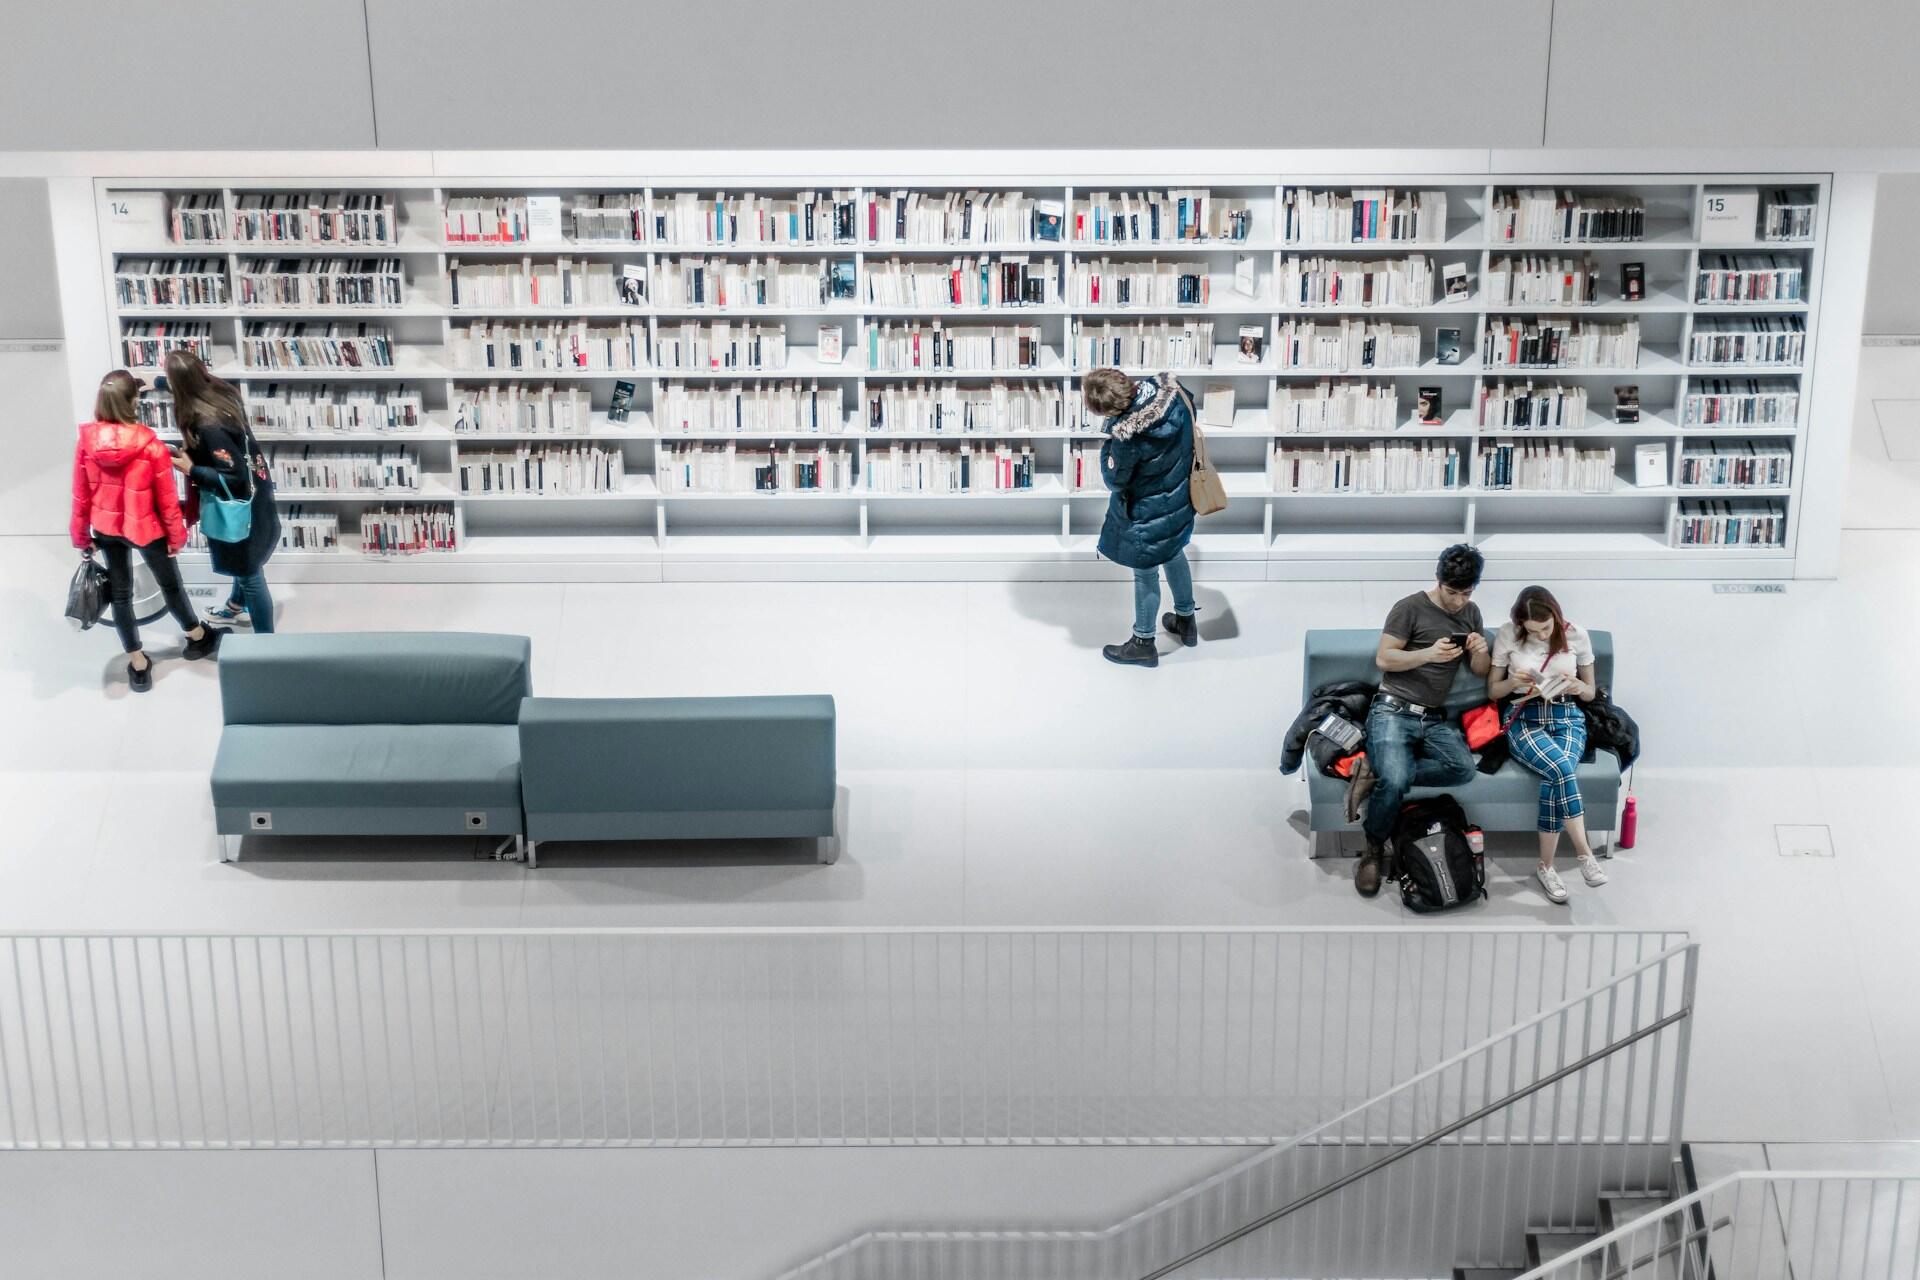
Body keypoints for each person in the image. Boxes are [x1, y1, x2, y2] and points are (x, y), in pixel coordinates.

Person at [69, 370, 225, 691]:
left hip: (107, 528)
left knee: (121, 595)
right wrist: (177, 537)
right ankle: (197, 637)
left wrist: (82, 536)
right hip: (146, 528)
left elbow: (80, 494)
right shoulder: (151, 447)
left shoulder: (86, 443)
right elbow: (167, 502)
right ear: (131, 403)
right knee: (171, 585)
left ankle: (138, 664)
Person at [1352, 544, 1490, 897]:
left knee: (1463, 770)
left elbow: (1480, 672)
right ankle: (1371, 849)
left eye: (1466, 592)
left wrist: (1480, 652)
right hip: (1392, 708)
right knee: (1396, 780)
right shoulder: (1409, 608)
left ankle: (1375, 772)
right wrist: (1429, 653)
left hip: (1433, 717)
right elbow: (1385, 659)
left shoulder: (1471, 613)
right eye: (1452, 592)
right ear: (1438, 580)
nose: (1459, 600)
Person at [1488, 585, 1608, 904]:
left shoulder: (1577, 634)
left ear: (1555, 616)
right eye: (1533, 631)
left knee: (1555, 776)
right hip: (1525, 715)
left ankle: (1546, 867)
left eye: (1545, 628)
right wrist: (1514, 682)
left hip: (1567, 715)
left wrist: (1577, 684)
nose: (1541, 635)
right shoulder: (1507, 635)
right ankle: (1584, 855)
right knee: (1560, 768)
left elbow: (1590, 693)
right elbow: (1493, 692)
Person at [1082, 367, 1198, 668]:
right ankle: (1186, 621)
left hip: (1146, 511)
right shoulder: (1174, 393)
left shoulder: (1127, 438)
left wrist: (1107, 445)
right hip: (1178, 499)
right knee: (1174, 552)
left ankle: (1143, 642)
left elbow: (1115, 480)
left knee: (1145, 570)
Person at [163, 350, 279, 631]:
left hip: (237, 504)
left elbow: (233, 476)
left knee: (250, 572)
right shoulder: (221, 393)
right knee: (244, 562)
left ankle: (268, 643)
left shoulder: (207, 425)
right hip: (257, 493)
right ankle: (234, 608)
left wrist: (191, 469)